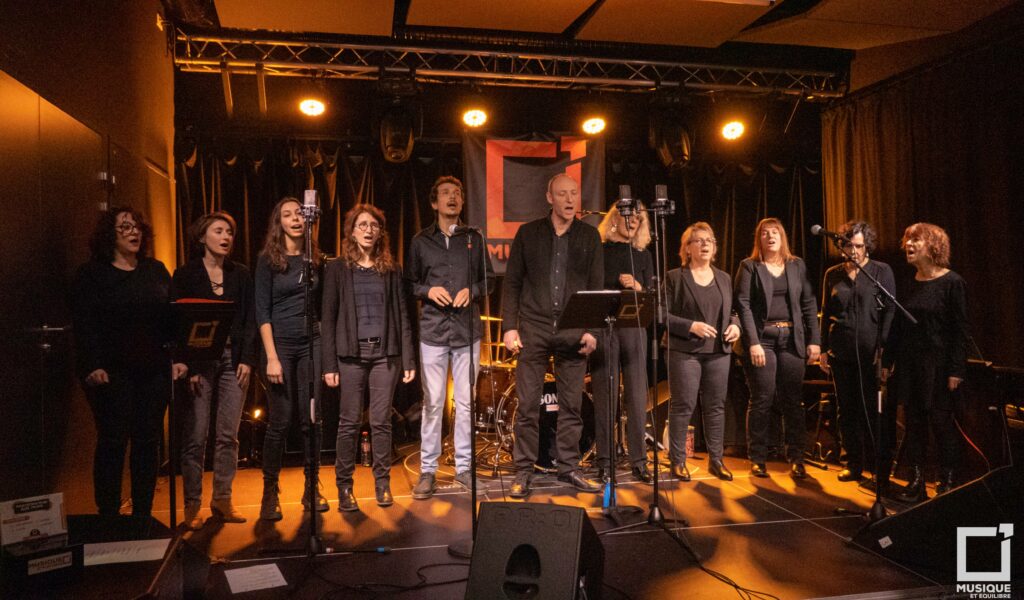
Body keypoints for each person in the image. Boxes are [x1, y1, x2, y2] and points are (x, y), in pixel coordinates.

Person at [72, 207, 187, 517]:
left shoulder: (155, 270)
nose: (133, 232)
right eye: (125, 227)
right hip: (111, 372)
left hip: (153, 371)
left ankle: (142, 515)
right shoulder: (92, 274)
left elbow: (172, 318)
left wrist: (177, 358)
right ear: (109, 234)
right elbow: (84, 324)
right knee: (113, 440)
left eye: (137, 227)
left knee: (147, 442)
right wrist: (92, 365)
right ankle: (108, 515)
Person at [501, 173, 603, 499]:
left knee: (571, 406)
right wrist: (509, 327)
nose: (570, 199)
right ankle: (523, 470)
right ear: (550, 198)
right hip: (534, 328)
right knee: (528, 405)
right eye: (562, 194)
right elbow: (512, 282)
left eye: (574, 193)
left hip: (573, 329)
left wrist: (592, 330)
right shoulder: (528, 233)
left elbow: (596, 287)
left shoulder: (589, 236)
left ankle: (569, 467)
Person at [405, 176, 495, 500]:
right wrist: (428, 291)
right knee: (433, 402)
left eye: (457, 193)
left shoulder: (473, 238)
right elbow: (409, 283)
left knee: (467, 402)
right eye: (445, 193)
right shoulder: (420, 241)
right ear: (434, 202)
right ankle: (428, 470)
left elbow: (489, 281)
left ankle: (464, 468)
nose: (452, 197)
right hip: (433, 332)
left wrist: (473, 290)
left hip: (466, 331)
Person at [323, 204, 416, 510]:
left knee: (381, 422)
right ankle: (344, 487)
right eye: (362, 225)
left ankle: (382, 484)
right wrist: (329, 364)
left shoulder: (391, 269)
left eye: (373, 225)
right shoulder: (338, 268)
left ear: (380, 233)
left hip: (384, 355)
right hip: (350, 356)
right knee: (349, 423)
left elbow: (402, 315)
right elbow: (328, 317)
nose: (368, 230)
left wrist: (408, 358)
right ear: (352, 232)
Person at [172, 211, 257, 529]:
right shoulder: (186, 274)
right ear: (201, 237)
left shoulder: (241, 274)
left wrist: (247, 359)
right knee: (196, 434)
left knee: (228, 435)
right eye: (219, 231)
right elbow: (178, 323)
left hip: (233, 358)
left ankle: (222, 499)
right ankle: (192, 503)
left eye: (229, 232)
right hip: (200, 361)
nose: (226, 237)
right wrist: (189, 364)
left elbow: (250, 319)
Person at [255, 197, 327, 520]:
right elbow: (262, 311)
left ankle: (312, 487)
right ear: (279, 223)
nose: (296, 218)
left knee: (311, 418)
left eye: (299, 213)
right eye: (288, 214)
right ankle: (270, 491)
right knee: (280, 421)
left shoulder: (315, 259)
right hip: (280, 346)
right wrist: (272, 357)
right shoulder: (268, 260)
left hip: (311, 343)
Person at [885, 223, 968, 502]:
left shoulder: (952, 283)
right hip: (910, 365)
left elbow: (960, 331)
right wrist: (887, 360)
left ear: (932, 246)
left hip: (939, 366)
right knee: (914, 425)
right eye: (907, 240)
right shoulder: (908, 282)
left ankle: (947, 481)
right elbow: (897, 326)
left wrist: (956, 369)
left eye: (915, 240)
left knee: (941, 424)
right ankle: (917, 482)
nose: (908, 245)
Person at [734, 218, 820, 479]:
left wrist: (814, 340)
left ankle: (796, 457)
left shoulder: (796, 265)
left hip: (792, 339)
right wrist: (753, 342)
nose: (770, 236)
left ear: (782, 237)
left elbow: (809, 303)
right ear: (758, 239)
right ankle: (758, 458)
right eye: (765, 233)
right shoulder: (749, 266)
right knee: (762, 399)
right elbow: (743, 305)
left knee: (793, 400)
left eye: (775, 232)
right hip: (763, 339)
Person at [818, 221, 896, 485]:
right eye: (849, 245)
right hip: (841, 352)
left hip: (870, 354)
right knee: (846, 410)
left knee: (872, 411)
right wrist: (823, 348)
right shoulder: (832, 274)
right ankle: (852, 463)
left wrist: (883, 348)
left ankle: (879, 467)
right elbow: (826, 311)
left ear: (867, 246)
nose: (854, 251)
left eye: (859, 246)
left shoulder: (881, 271)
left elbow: (890, 312)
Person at [664, 222, 741, 481]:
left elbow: (733, 311)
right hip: (685, 351)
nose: (705, 244)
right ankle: (677, 461)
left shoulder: (724, 278)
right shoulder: (675, 277)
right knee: (683, 405)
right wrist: (690, 326)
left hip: (718, 351)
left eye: (709, 240)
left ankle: (716, 461)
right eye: (698, 240)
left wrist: (736, 326)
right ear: (687, 248)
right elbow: (661, 315)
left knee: (715, 406)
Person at [590, 202, 655, 484]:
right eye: (628, 216)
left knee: (637, 397)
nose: (633, 221)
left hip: (634, 328)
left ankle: (639, 461)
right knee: (605, 396)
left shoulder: (643, 254)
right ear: (615, 218)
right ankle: (605, 461)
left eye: (638, 218)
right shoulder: (600, 250)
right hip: (605, 326)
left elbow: (652, 294)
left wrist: (639, 287)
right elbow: (590, 286)